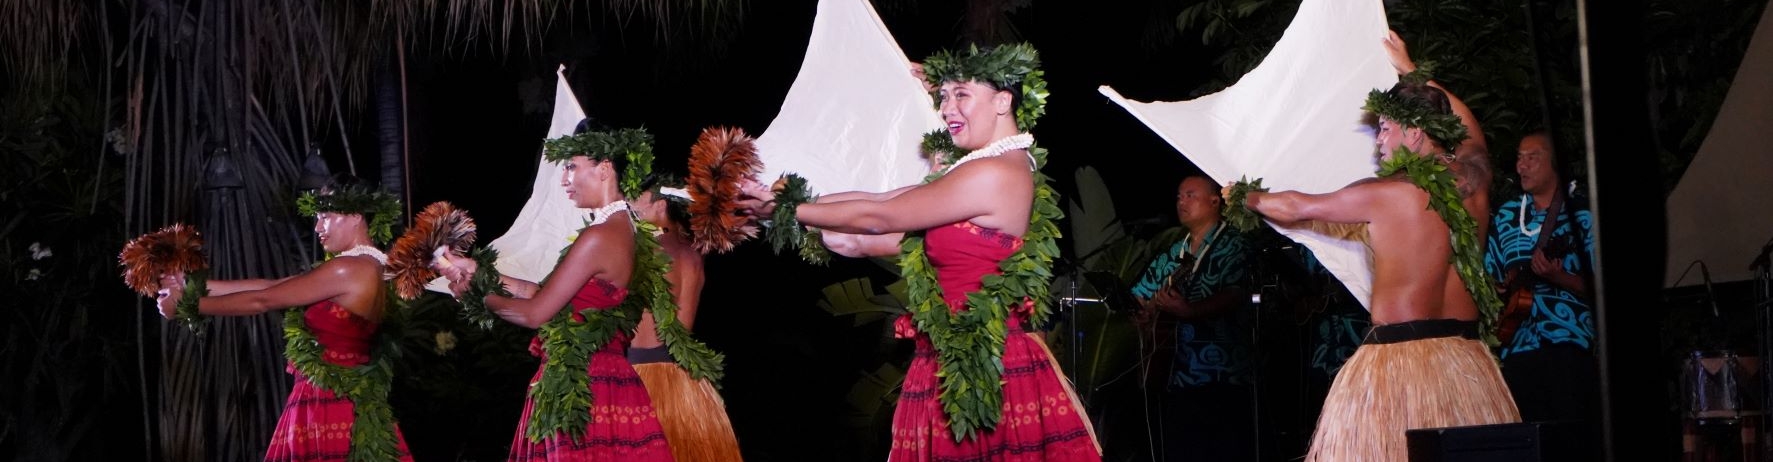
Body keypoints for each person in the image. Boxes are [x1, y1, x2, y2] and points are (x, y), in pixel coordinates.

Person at [738, 43, 1101, 461]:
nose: (947, 108)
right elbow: (870, 212)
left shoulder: (994, 172)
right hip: (945, 360)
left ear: (1004, 100)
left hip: (984, 368)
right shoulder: (973, 171)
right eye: (943, 97)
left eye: (960, 94)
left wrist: (789, 208)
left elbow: (880, 215)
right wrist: (782, 207)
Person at [1230, 80, 1520, 461]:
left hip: (1398, 366)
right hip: (1465, 365)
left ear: (1415, 133)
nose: (1378, 141)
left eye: (1385, 128)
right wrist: (1414, 72)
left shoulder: (1384, 194)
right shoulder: (1473, 182)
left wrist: (1243, 196)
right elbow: (1474, 137)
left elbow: (1296, 207)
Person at [435, 122, 677, 461]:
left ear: (604, 169)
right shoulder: (626, 231)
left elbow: (535, 313)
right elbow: (548, 293)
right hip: (606, 383)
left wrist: (477, 296)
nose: (564, 179)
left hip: (580, 387)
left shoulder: (600, 236)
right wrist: (480, 271)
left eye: (571, 166)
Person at [151, 183, 414, 462]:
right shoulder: (375, 267)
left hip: (326, 404)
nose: (317, 227)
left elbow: (263, 300)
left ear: (356, 216)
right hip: (356, 405)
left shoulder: (346, 269)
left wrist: (188, 305)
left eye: (325, 216)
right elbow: (271, 285)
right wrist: (190, 285)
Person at [1126, 174, 1255, 461]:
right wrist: (1143, 312)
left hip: (1223, 373)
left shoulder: (1234, 244)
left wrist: (1189, 311)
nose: (1181, 202)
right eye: (1178, 196)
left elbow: (1236, 294)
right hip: (1175, 374)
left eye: (1190, 195)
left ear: (1214, 201)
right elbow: (1141, 294)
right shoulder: (1174, 252)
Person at [1483, 130, 1599, 433]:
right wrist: (1499, 287)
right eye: (1519, 158)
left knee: (1569, 442)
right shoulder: (1506, 216)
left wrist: (1558, 276)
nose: (1522, 166)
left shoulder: (1584, 215)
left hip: (1567, 346)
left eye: (1532, 157)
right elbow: (1489, 280)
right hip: (1514, 348)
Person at [627, 173, 743, 462]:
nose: (629, 204)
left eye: (636, 198)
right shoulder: (693, 252)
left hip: (643, 374)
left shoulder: (646, 249)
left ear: (661, 203)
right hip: (684, 379)